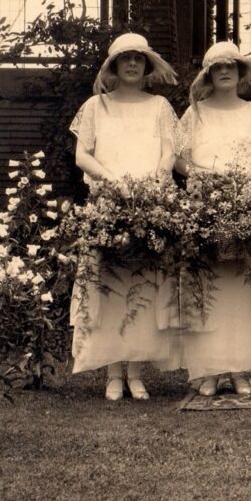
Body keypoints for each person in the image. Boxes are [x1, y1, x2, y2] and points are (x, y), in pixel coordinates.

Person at [69, 32, 180, 401]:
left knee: (144, 285)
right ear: (113, 66)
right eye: (125, 58)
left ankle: (136, 372)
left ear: (146, 65)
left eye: (138, 58)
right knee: (109, 285)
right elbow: (82, 156)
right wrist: (113, 182)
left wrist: (152, 186)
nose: (132, 63)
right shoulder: (95, 106)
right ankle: (113, 374)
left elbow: (168, 154)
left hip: (148, 204)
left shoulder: (160, 106)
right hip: (108, 202)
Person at [174, 41, 251, 397]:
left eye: (231, 66)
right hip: (205, 207)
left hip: (246, 209)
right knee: (208, 286)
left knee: (242, 288)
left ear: (240, 72)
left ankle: (238, 370)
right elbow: (180, 162)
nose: (224, 72)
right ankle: (208, 371)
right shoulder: (195, 113)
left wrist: (249, 197)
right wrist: (207, 179)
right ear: (208, 75)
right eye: (217, 67)